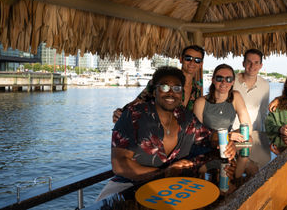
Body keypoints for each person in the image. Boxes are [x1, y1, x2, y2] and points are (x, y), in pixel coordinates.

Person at [97, 67, 237, 201]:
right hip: (128, 186)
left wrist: (225, 142)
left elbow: (209, 136)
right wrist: (163, 174)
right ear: (154, 91)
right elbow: (119, 164)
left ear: (181, 93)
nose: (170, 92)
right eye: (164, 87)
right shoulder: (133, 116)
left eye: (176, 88)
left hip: (173, 188)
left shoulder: (186, 119)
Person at [112, 45, 204, 123]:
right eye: (188, 58)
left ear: (201, 64)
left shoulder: (197, 89)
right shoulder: (161, 80)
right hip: (157, 131)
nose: (192, 62)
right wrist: (121, 112)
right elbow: (139, 101)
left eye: (197, 60)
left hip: (181, 137)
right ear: (181, 59)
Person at [193, 64, 252, 142]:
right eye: (219, 78)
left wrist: (229, 136)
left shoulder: (236, 97)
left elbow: (248, 129)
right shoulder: (201, 102)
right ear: (213, 80)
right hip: (206, 146)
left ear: (233, 82)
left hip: (228, 146)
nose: (224, 82)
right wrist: (228, 136)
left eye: (228, 79)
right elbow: (197, 134)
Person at [232, 49, 271, 168]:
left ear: (261, 65)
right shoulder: (232, 81)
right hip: (233, 134)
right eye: (249, 62)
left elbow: (264, 111)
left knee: (260, 167)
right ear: (243, 63)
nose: (252, 66)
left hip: (254, 136)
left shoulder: (265, 84)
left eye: (256, 62)